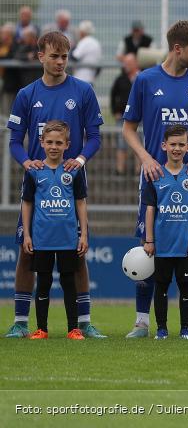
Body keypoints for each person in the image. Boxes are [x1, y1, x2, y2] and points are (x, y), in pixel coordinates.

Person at [122, 20, 188, 339]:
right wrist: (147, 158)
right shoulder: (146, 80)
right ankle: (142, 321)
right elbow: (128, 128)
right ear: (177, 48)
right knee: (149, 247)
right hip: (155, 179)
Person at [4, 31, 104, 339]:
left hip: (70, 183)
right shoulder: (26, 95)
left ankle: (84, 322)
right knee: (26, 250)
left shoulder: (83, 91)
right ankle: (21, 321)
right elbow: (14, 141)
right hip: (39, 184)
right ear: (40, 57)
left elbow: (95, 137)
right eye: (54, 56)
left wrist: (81, 161)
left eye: (64, 56)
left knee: (77, 252)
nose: (60, 62)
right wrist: (26, 163)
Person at [21, 121, 89, 340]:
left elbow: (80, 203)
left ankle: (73, 329)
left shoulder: (73, 171)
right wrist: (28, 234)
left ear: (67, 145)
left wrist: (84, 234)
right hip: (42, 239)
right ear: (41, 142)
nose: (53, 146)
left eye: (59, 142)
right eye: (49, 142)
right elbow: (27, 203)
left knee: (69, 283)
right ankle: (42, 329)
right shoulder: (33, 171)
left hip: (68, 239)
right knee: (43, 283)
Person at [141, 125, 188, 340]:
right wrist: (149, 240)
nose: (176, 149)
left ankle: (186, 329)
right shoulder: (155, 174)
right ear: (164, 146)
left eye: (181, 145)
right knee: (161, 287)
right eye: (172, 144)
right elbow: (150, 210)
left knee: (186, 287)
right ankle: (161, 329)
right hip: (162, 245)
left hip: (185, 244)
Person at [111, 54, 140, 175]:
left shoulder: (142, 78)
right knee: (121, 143)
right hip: (123, 116)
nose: (126, 66)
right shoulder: (120, 79)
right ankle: (120, 170)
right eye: (125, 63)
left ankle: (139, 170)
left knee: (140, 143)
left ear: (135, 64)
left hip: (140, 117)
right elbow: (113, 95)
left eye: (129, 63)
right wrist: (115, 112)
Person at [70, 21, 102, 85]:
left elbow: (74, 57)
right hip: (91, 78)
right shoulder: (96, 43)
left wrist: (71, 48)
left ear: (82, 32)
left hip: (81, 78)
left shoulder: (84, 41)